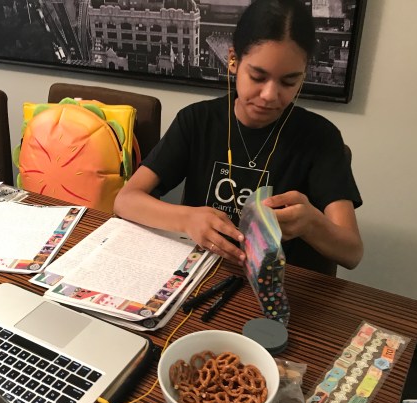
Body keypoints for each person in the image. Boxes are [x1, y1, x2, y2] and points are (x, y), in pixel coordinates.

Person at [113, 0, 363, 272]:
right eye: (257, 76)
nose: (269, 95)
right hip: (201, 273)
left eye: (289, 81)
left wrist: (312, 224)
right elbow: (126, 200)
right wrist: (187, 219)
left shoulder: (320, 138)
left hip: (273, 284)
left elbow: (352, 253)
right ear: (233, 60)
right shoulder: (197, 121)